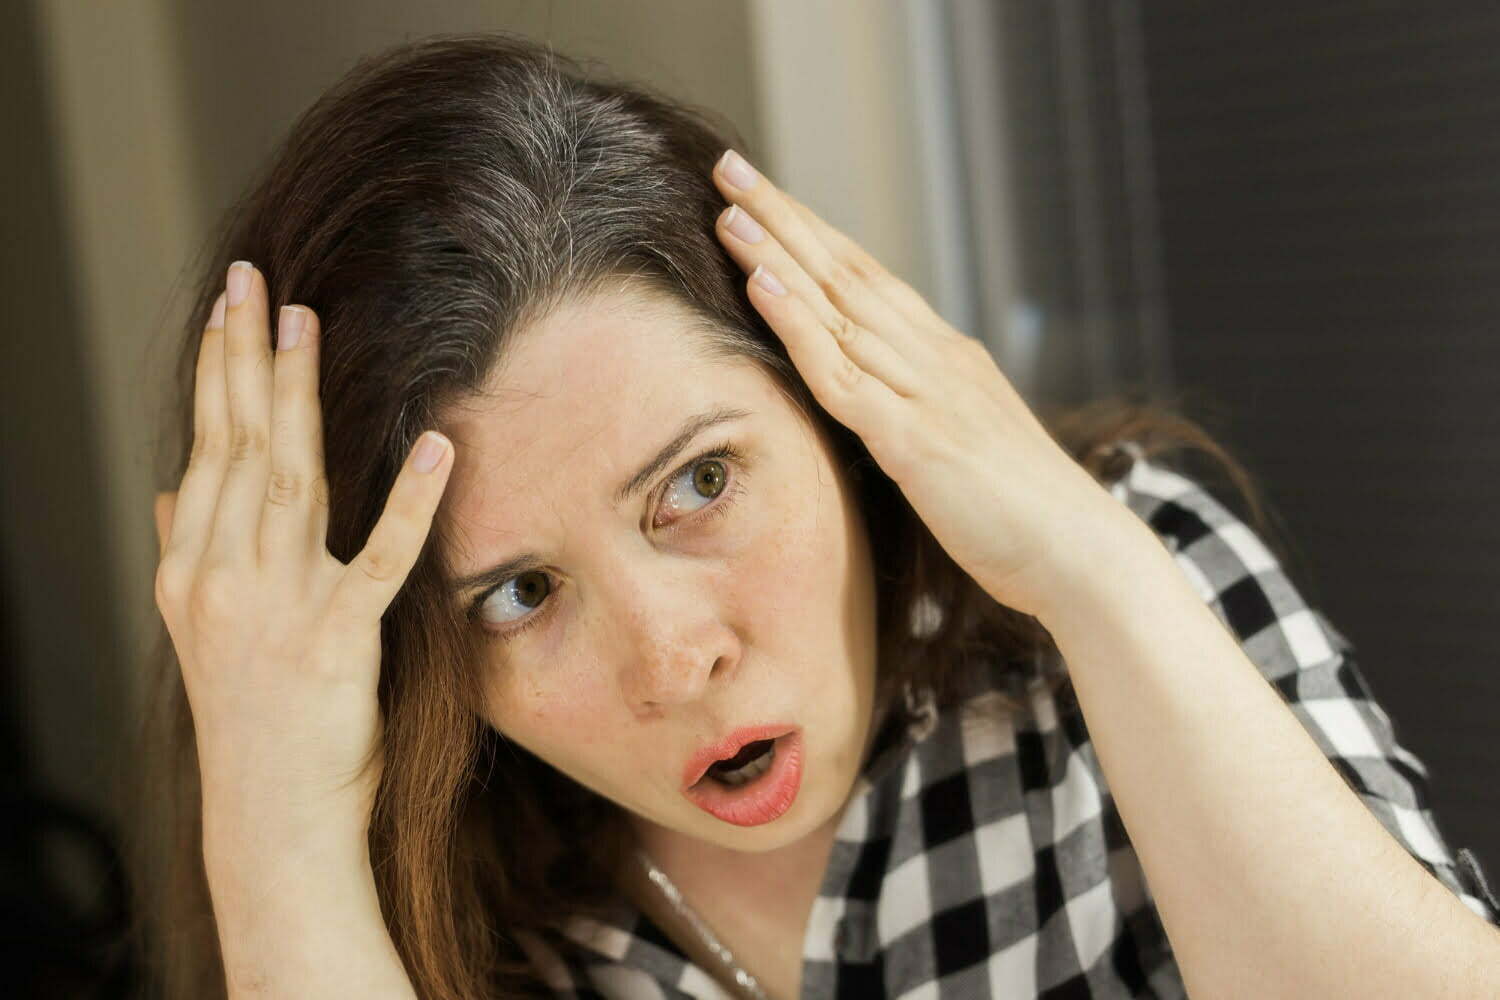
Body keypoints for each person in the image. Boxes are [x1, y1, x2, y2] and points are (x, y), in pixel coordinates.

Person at [134, 30, 1500, 1000]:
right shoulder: (453, 913)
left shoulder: (1124, 579)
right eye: (520, 592)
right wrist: (274, 828)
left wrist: (1098, 576)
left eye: (700, 483)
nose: (673, 662)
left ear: (834, 406)